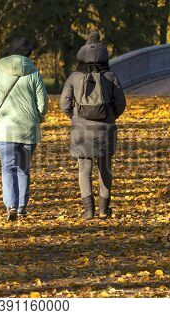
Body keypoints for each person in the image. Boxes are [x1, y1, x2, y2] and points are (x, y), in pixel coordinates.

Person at [60, 31, 126, 220]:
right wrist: (111, 116)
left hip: (82, 129)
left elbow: (64, 103)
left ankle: (88, 210)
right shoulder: (111, 76)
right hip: (106, 127)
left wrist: (74, 117)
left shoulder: (74, 77)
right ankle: (104, 209)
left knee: (84, 169)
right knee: (105, 169)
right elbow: (121, 103)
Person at [0, 37, 48, 221]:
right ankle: (21, 207)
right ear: (28, 54)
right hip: (28, 128)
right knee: (23, 168)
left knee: (8, 167)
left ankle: (11, 205)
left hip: (5, 128)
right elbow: (42, 103)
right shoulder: (34, 73)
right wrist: (38, 118)